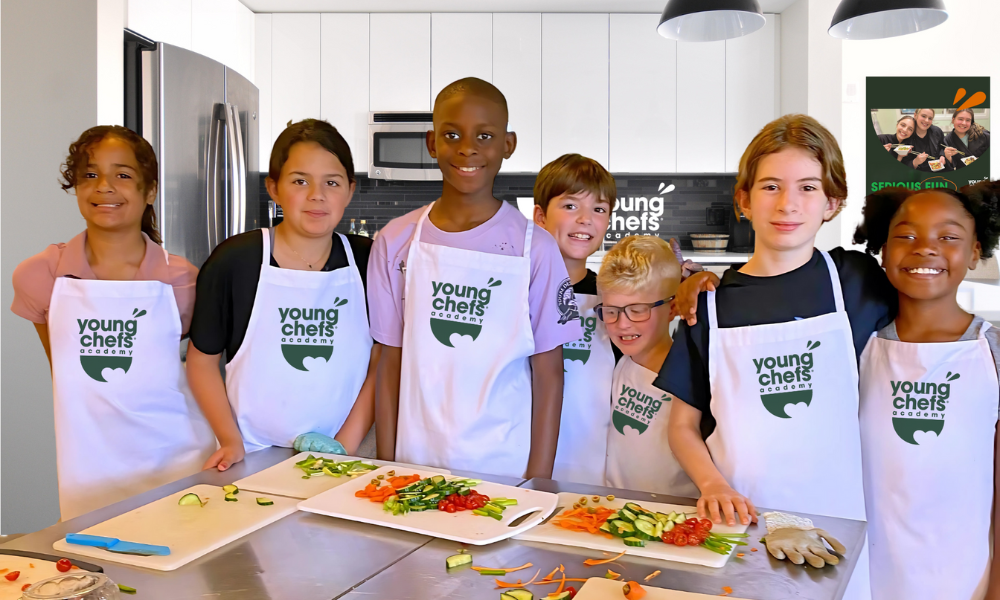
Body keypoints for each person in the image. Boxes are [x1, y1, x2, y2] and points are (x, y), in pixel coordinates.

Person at [660, 114, 896, 600]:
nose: (788, 203)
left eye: (808, 187)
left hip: (837, 519)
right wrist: (712, 486)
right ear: (744, 200)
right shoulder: (709, 303)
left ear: (832, 202)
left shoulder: (855, 280)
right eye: (770, 186)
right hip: (739, 517)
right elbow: (682, 425)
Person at [369, 77, 582, 479]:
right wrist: (387, 467)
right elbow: (389, 362)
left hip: (505, 465)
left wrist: (536, 481)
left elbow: (549, 372)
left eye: (484, 135)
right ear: (432, 143)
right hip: (414, 460)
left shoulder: (535, 248)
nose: (467, 148)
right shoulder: (395, 240)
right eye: (452, 134)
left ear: (508, 144)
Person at [11, 126, 214, 520]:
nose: (104, 187)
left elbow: (201, 370)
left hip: (178, 454)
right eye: (90, 175)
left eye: (122, 175)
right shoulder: (40, 276)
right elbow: (66, 373)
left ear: (149, 191)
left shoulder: (184, 281)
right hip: (89, 462)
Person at [187, 119, 378, 471]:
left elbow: (380, 364)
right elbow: (201, 362)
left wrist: (343, 449)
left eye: (331, 183)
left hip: (346, 459)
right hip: (251, 456)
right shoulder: (236, 260)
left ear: (350, 191)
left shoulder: (369, 261)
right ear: (273, 188)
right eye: (300, 181)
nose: (316, 195)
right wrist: (231, 441)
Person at [852, 181, 1000, 600]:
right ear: (882, 249)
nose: (925, 248)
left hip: (963, 575)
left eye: (948, 237)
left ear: (975, 252)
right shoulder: (857, 344)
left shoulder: (993, 350)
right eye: (906, 236)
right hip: (864, 572)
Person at [532, 153, 619, 486]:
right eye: (570, 206)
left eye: (599, 209)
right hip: (515, 461)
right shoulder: (516, 289)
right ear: (540, 216)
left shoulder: (612, 298)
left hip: (592, 468)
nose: (586, 220)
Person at [597, 236, 696, 497]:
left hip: (674, 517)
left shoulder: (688, 376)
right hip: (615, 511)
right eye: (611, 311)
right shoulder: (620, 363)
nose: (622, 324)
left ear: (672, 308)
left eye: (638, 310)